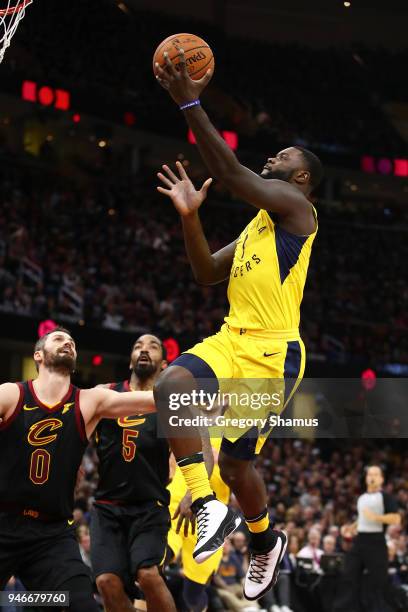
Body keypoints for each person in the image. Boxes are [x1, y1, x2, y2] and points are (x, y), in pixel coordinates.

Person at [153, 50, 323, 601]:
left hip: (274, 355)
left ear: (300, 178)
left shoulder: (297, 209)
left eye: (284, 155)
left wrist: (190, 102)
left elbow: (227, 170)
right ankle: (207, 507)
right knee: (169, 386)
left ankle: (264, 538)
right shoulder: (258, 224)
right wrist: (190, 217)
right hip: (233, 339)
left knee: (234, 463)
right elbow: (204, 272)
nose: (274, 155)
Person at [0, 327, 155, 612]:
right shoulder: (12, 394)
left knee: (77, 604)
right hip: (3, 520)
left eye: (71, 341)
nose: (68, 343)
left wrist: (203, 395)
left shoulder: (87, 400)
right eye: (59, 339)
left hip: (50, 534)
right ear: (38, 355)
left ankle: (27, 604)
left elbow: (147, 401)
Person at [90, 334, 176, 612]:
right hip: (107, 508)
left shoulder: (170, 403)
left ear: (163, 364)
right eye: (138, 346)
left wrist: (194, 495)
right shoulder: (107, 392)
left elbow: (200, 450)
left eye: (152, 346)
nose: (143, 350)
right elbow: (77, 432)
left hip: (149, 507)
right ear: (130, 360)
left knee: (148, 575)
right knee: (105, 581)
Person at [166, 437, 230, 612]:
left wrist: (224, 460)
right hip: (175, 507)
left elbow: (242, 474)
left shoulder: (238, 429)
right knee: (152, 563)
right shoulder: (187, 419)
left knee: (193, 594)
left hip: (209, 520)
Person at [334, 465, 401, 612]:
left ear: (382, 479)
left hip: (376, 541)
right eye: (369, 474)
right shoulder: (362, 498)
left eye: (376, 474)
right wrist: (350, 528)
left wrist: (376, 517)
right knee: (349, 574)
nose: (372, 477)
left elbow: (396, 519)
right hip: (360, 541)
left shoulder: (385, 497)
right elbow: (362, 520)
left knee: (380, 581)